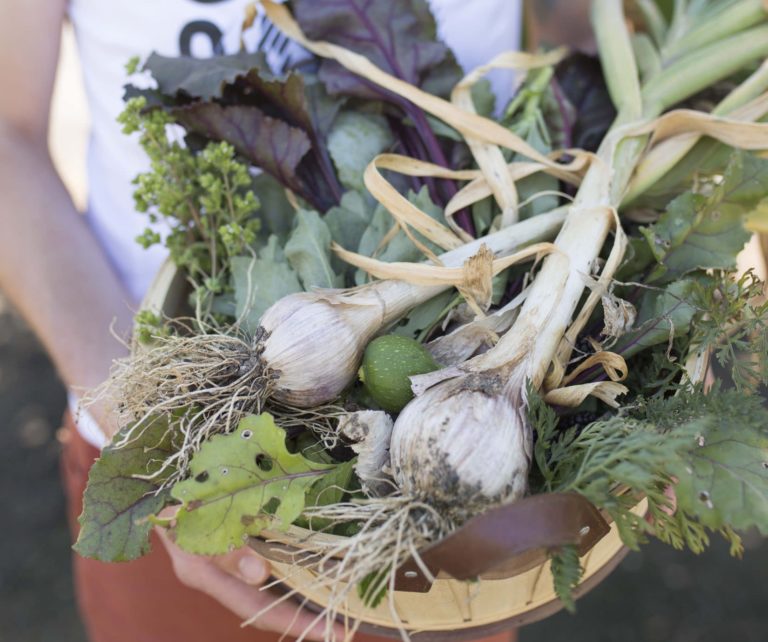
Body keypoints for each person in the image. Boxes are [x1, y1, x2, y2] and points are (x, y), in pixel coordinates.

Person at [0, 0, 590, 640]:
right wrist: (145, 429)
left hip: (460, 498)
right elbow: (9, 131)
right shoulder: (152, 422)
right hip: (139, 402)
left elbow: (578, 30)